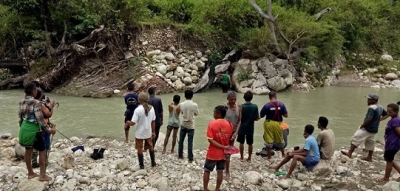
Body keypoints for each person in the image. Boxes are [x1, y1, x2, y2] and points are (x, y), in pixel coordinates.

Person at [18, 82, 55, 181]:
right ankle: (42, 175)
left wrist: (22, 128)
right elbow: (40, 120)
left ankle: (30, 173)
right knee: (42, 150)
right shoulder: (36, 103)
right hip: (34, 130)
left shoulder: (21, 101)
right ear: (34, 91)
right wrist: (50, 130)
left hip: (24, 129)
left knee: (28, 151)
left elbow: (20, 117)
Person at [341, 94, 388, 162]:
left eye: (369, 99)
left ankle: (349, 153)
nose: (367, 101)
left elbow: (369, 119)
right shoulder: (380, 106)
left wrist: (362, 125)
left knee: (356, 138)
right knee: (370, 142)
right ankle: (369, 157)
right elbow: (386, 114)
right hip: (374, 129)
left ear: (374, 100)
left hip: (367, 128)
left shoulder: (372, 108)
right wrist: (379, 120)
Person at [203, 105, 233, 191]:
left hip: (213, 153)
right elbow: (228, 138)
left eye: (214, 112)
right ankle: (217, 189)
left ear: (218, 114)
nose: (213, 114)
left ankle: (205, 189)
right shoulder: (229, 124)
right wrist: (224, 147)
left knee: (207, 170)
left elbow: (210, 140)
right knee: (220, 171)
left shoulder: (212, 124)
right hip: (223, 153)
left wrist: (222, 146)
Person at [125, 92, 157, 169]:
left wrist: (127, 123)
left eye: (138, 98)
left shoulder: (138, 110)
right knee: (151, 147)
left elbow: (133, 123)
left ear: (139, 100)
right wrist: (153, 132)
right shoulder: (151, 108)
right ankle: (153, 163)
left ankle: (141, 166)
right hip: (148, 132)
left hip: (139, 133)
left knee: (139, 148)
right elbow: (153, 121)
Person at [260, 91, 288, 159]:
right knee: (280, 139)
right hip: (278, 123)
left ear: (269, 97)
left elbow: (261, 115)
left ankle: (269, 157)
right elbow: (286, 115)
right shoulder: (281, 104)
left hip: (268, 123)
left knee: (268, 140)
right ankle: (283, 155)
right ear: (276, 96)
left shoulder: (267, 105)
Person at [33, 89, 56, 166]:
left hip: (33, 127)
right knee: (45, 146)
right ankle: (44, 162)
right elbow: (48, 114)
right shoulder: (39, 104)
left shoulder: (30, 103)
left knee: (35, 145)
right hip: (43, 127)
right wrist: (52, 106)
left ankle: (34, 161)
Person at [378, 103, 400, 182]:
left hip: (393, 144)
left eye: (390, 112)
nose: (388, 113)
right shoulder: (395, 119)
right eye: (387, 111)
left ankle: (386, 178)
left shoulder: (395, 121)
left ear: (396, 112)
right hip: (391, 143)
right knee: (389, 159)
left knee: (389, 161)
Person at [235, 91, 259, 162]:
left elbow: (238, 118)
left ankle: (242, 157)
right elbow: (256, 118)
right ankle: (249, 158)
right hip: (250, 128)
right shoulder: (255, 106)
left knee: (241, 143)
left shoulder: (241, 107)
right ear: (252, 98)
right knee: (250, 143)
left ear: (244, 98)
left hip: (241, 127)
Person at [224, 91, 241, 179]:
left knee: (228, 151)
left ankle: (227, 171)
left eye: (235, 99)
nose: (233, 101)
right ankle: (225, 168)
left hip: (233, 133)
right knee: (225, 150)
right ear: (228, 99)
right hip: (224, 133)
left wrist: (236, 132)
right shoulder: (224, 107)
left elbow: (239, 121)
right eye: (231, 99)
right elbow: (220, 120)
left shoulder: (239, 106)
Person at [178, 90, 199, 162]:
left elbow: (181, 112)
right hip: (191, 125)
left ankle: (180, 155)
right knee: (190, 141)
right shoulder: (194, 105)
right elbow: (196, 114)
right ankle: (190, 158)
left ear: (184, 96)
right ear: (192, 96)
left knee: (181, 140)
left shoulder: (181, 104)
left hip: (183, 123)